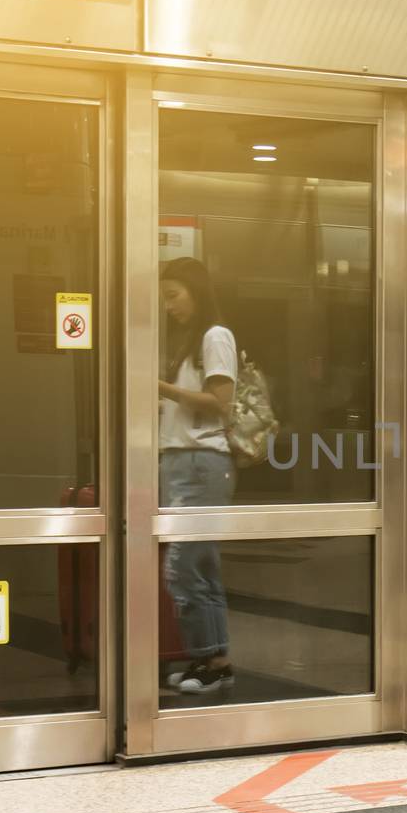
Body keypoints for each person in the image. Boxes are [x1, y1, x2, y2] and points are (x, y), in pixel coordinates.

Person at [158, 256, 238, 694]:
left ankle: (211, 659)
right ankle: (213, 660)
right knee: (200, 567)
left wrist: (158, 387)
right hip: (179, 460)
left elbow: (220, 400)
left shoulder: (215, 335)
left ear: (196, 291)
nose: (169, 306)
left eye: (174, 295)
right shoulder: (188, 340)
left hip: (202, 462)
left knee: (183, 567)